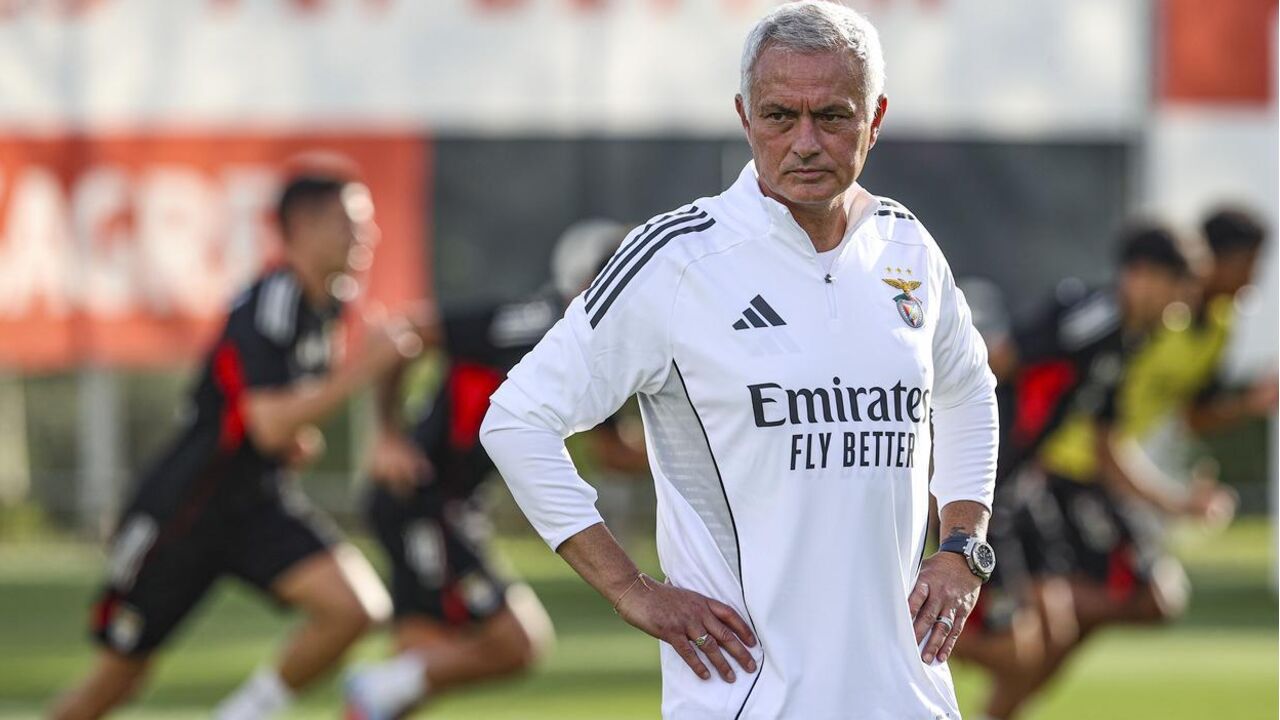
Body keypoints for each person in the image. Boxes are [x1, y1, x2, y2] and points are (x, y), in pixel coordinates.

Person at [479, 3, 999, 717]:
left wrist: (963, 545)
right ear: (744, 116)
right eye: (780, 116)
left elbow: (969, 389)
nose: (805, 142)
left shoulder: (906, 247)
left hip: (907, 696)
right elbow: (516, 420)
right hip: (750, 696)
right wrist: (631, 589)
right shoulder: (679, 259)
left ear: (875, 118)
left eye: (834, 116)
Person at [49, 172, 426, 720]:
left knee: (355, 609)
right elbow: (267, 423)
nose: (367, 235)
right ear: (303, 227)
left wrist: (296, 435)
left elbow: (267, 420)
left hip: (255, 502)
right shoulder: (269, 301)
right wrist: (358, 373)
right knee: (117, 679)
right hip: (187, 511)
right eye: (352, 221)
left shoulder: (329, 306)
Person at [343, 220, 649, 719]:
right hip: (421, 496)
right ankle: (376, 685)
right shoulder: (538, 321)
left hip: (447, 505)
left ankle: (379, 689)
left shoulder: (596, 348)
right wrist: (389, 435)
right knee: (516, 642)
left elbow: (615, 454)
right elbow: (406, 332)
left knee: (411, 675)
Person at [957, 223, 1231, 719]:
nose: (1182, 306)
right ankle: (888, 637)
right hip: (985, 486)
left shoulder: (1126, 343)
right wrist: (947, 457)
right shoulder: (1092, 317)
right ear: (1142, 276)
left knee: (1054, 634)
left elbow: (1107, 447)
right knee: (1015, 652)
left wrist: (1177, 503)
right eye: (1179, 289)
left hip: (1019, 490)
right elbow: (995, 361)